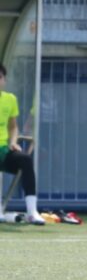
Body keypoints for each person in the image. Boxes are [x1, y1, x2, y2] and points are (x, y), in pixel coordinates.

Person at [0, 63, 45, 225]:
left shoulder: (10, 99)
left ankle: (32, 211)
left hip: (4, 150)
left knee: (25, 159)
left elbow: (13, 126)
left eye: (0, 77)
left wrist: (13, 142)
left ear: (4, 80)